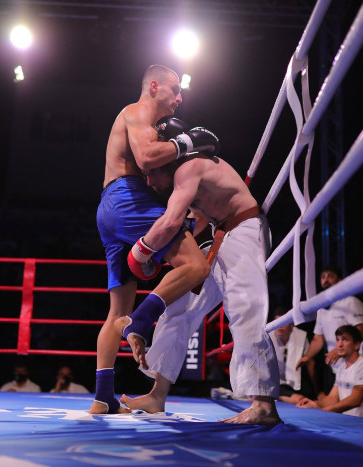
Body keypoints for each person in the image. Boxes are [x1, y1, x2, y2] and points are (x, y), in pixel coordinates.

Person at [92, 64, 219, 414]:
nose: (179, 98)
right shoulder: (136, 112)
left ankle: (103, 398)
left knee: (117, 310)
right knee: (196, 267)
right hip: (128, 200)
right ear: (153, 87)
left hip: (111, 207)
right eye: (174, 90)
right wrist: (188, 142)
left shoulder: (148, 123)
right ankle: (142, 320)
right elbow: (147, 159)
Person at [118, 153, 282, 425]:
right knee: (179, 306)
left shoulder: (188, 169)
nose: (149, 182)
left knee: (244, 308)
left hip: (243, 229)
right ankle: (157, 395)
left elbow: (171, 222)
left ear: (166, 164)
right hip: (221, 237)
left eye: (152, 173)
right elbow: (197, 221)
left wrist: (143, 251)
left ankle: (264, 405)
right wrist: (168, 254)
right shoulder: (187, 181)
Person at [295, 266, 363, 395]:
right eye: (323, 277)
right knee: (340, 404)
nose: (326, 280)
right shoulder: (322, 307)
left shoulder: (350, 301)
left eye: (330, 276)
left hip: (360, 364)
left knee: (359, 404)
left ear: (339, 280)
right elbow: (318, 338)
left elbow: (362, 330)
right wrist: (307, 356)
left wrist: (338, 350)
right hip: (340, 366)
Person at [296, 325, 363, 420]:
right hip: (349, 423)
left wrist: (323, 411)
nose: (339, 344)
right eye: (337, 340)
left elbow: (355, 400)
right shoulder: (341, 366)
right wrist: (314, 404)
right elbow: (332, 398)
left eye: (345, 340)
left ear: (356, 345)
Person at [269, 309, 314, 404]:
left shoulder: (301, 337)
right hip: (274, 383)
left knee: (308, 398)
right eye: (277, 322)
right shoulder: (268, 338)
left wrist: (318, 391)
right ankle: (276, 396)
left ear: (292, 323)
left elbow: (310, 363)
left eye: (283, 323)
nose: (280, 326)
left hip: (295, 382)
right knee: (299, 399)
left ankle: (276, 396)